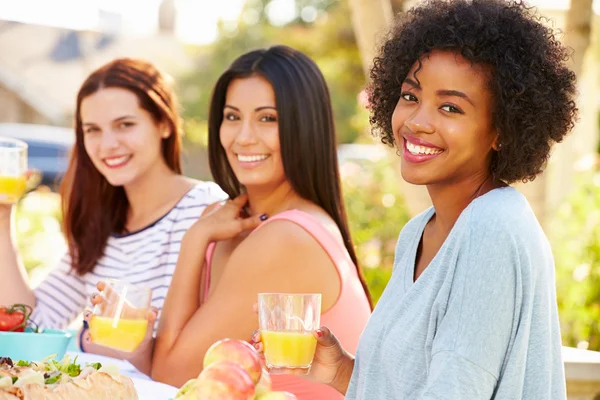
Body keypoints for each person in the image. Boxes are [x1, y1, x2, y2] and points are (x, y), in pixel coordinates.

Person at [253, 1, 578, 398]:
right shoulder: (418, 232)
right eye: (410, 96)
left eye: (450, 107)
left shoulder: (492, 229)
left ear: (503, 131)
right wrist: (341, 371)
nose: (417, 121)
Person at [89, 45, 373, 399]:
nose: (243, 137)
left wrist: (194, 241)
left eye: (267, 118)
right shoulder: (232, 222)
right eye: (233, 116)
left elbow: (171, 375)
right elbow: (180, 370)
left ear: (304, 126)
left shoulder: (287, 238)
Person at [0, 58, 227, 367]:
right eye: (92, 130)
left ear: (163, 123)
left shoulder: (207, 210)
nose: (108, 144)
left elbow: (210, 348)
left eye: (125, 125)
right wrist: (2, 215)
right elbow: (29, 324)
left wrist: (91, 340)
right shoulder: (101, 226)